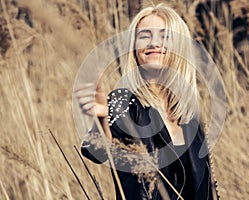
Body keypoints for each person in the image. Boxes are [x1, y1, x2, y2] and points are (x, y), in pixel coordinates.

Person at [75, 3, 219, 200]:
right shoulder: (124, 102)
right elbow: (97, 150)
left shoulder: (190, 114)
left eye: (164, 36)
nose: (153, 43)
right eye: (144, 36)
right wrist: (102, 120)